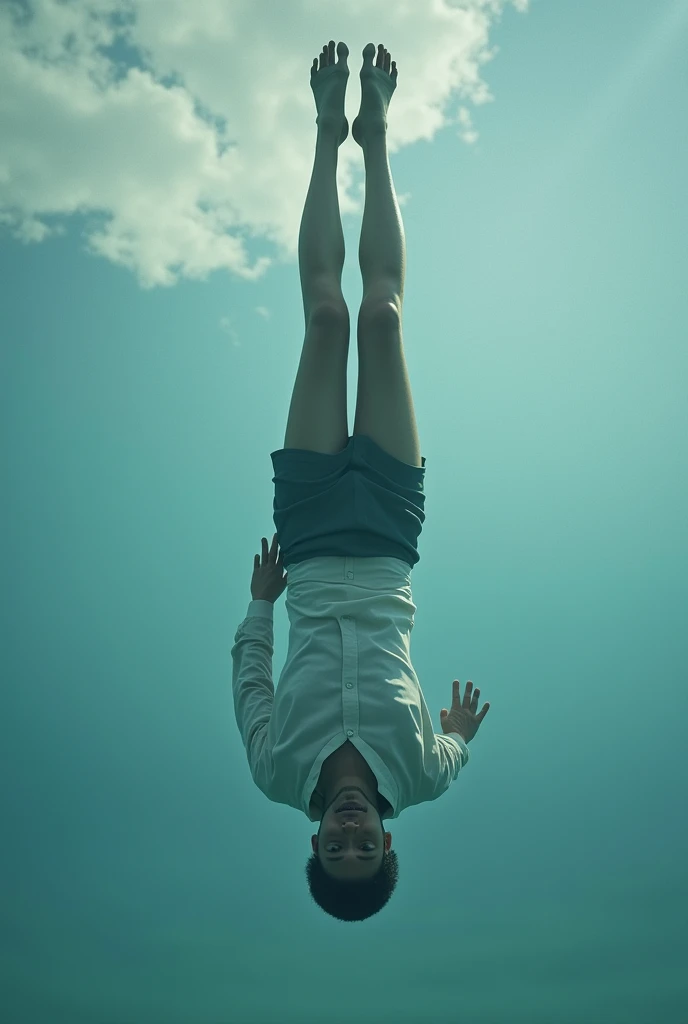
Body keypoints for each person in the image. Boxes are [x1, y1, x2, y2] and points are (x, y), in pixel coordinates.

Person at [231, 41, 491, 923]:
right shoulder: (419, 779)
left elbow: (253, 684)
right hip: (385, 538)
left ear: (315, 845)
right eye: (364, 851)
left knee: (326, 318)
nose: (349, 836)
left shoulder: (275, 773)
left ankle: (323, 134)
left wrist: (264, 602)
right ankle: (375, 136)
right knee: (380, 318)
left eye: (335, 851)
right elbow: (454, 751)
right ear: (387, 843)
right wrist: (453, 733)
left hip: (305, 536)